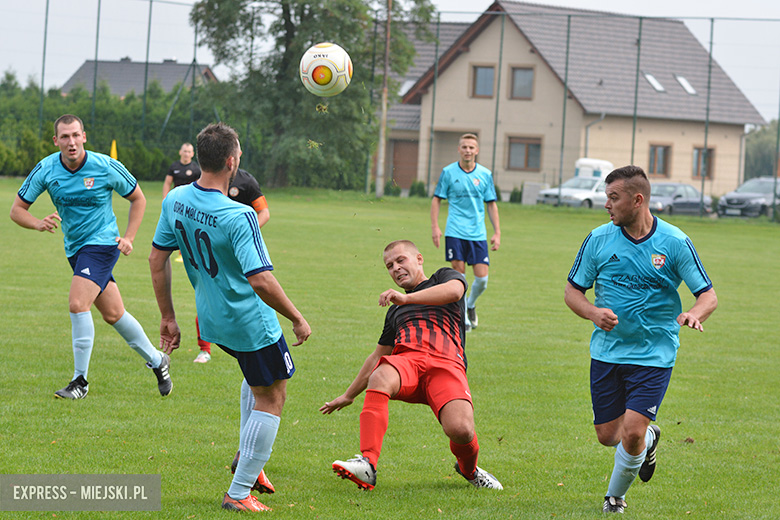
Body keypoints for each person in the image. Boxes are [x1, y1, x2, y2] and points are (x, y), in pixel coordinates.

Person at [149, 122, 311, 512]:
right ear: (232, 162)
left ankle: (248, 459)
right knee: (272, 395)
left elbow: (156, 259)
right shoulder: (240, 216)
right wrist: (296, 317)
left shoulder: (175, 200)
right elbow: (261, 280)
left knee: (255, 381)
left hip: (213, 319)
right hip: (249, 322)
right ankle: (238, 493)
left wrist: (168, 316)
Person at [564, 165, 718, 514]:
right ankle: (650, 437)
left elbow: (708, 295)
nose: (607, 204)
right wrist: (592, 313)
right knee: (608, 436)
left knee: (631, 432)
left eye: (613, 198)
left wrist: (695, 313)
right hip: (608, 351)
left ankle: (614, 498)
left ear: (637, 200)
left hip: (655, 352)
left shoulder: (674, 242)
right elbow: (572, 291)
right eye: (606, 197)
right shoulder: (598, 239)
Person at [10, 114, 172, 399]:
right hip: (75, 249)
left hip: (102, 244)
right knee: (113, 314)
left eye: (76, 135)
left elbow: (138, 198)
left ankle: (80, 382)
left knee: (77, 304)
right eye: (65, 137)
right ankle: (158, 360)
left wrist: (129, 237)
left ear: (84, 136)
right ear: (56, 141)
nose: (71, 142)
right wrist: (37, 223)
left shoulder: (105, 166)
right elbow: (17, 210)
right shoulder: (46, 169)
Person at [321, 240, 502, 491]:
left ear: (419, 259)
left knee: (461, 430)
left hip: (446, 366)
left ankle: (469, 470)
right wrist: (349, 395)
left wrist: (406, 299)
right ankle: (368, 463)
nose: (395, 268)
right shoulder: (395, 311)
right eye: (389, 266)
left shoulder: (442, 278)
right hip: (408, 364)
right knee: (381, 373)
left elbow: (455, 292)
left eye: (400, 260)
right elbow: (377, 356)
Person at [193, 168, 271, 364]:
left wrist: (245, 234)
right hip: (214, 249)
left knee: (247, 297)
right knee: (207, 297)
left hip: (241, 251)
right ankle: (204, 349)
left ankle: (253, 350)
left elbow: (264, 212)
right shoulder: (209, 177)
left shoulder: (247, 181)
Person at [431, 133, 500, 331]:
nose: (467, 150)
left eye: (471, 147)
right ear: (459, 149)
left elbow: (491, 204)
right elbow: (437, 199)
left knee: (482, 280)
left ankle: (470, 304)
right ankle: (464, 319)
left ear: (476, 150)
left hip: (477, 233)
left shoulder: (485, 174)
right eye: (464, 147)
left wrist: (497, 232)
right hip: (455, 232)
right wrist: (435, 227)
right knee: (459, 277)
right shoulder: (448, 172)